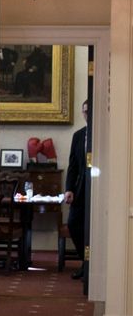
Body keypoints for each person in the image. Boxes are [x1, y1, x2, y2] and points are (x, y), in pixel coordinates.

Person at [64, 100, 89, 280]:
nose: (86, 115)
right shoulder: (78, 135)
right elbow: (72, 165)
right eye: (84, 112)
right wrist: (69, 189)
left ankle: (91, 266)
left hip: (97, 188)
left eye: (89, 111)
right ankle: (85, 262)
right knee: (73, 223)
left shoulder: (103, 134)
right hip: (80, 190)